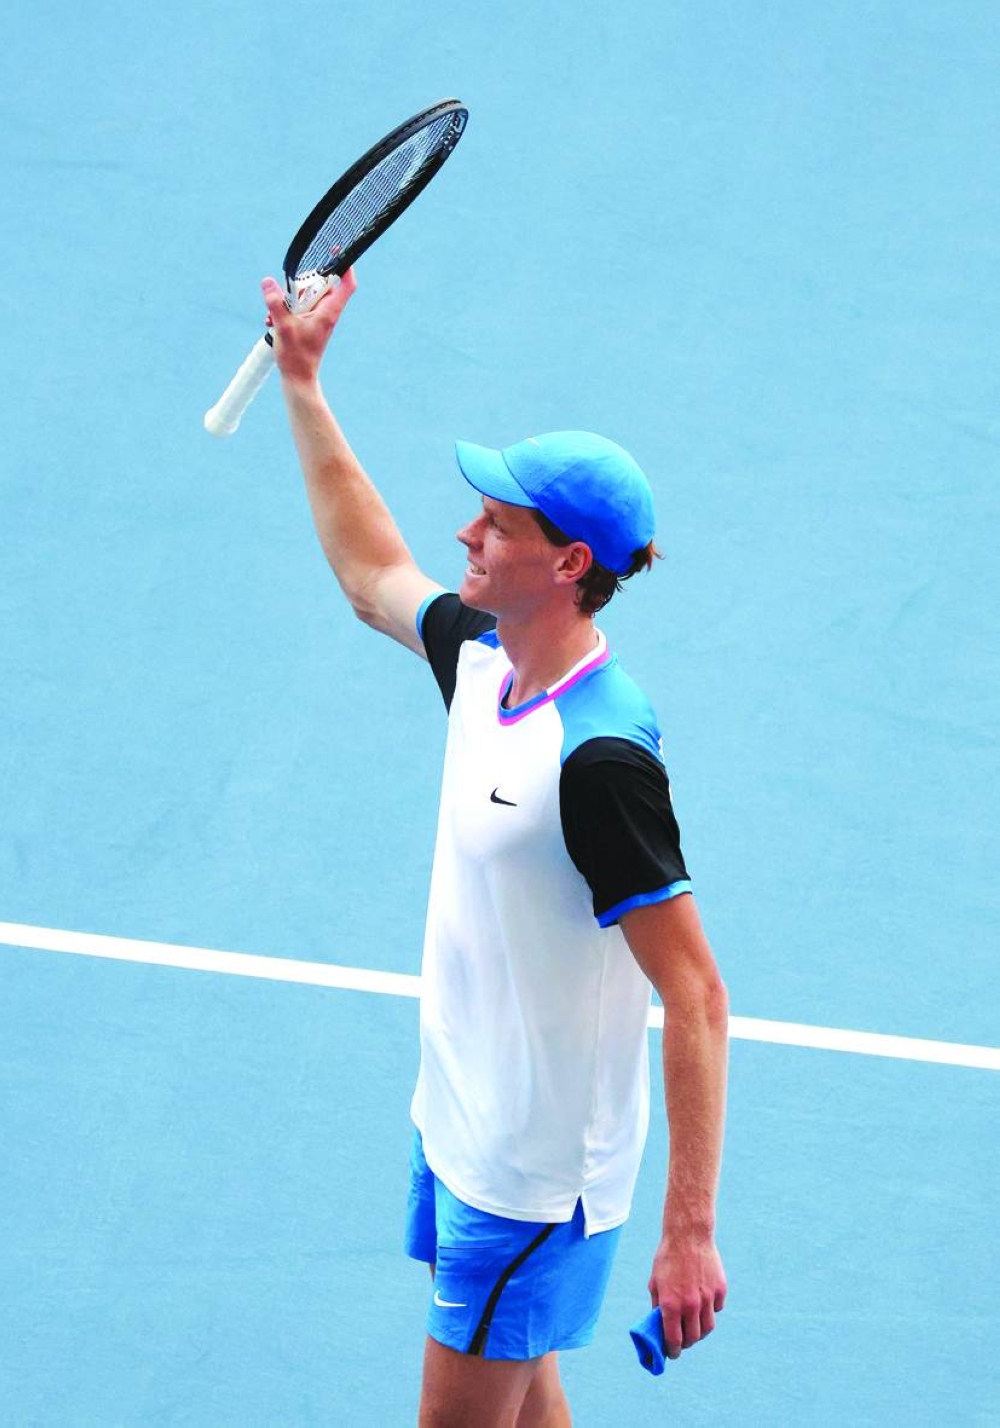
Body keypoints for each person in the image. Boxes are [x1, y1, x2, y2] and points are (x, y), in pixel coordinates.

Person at [261, 269, 729, 1428]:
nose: (466, 529)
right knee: (525, 1402)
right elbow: (372, 572)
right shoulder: (483, 657)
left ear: (569, 564)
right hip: (463, 1120)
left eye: (499, 523)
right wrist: (304, 384)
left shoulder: (599, 759)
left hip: (531, 1182)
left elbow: (699, 996)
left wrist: (686, 1233)